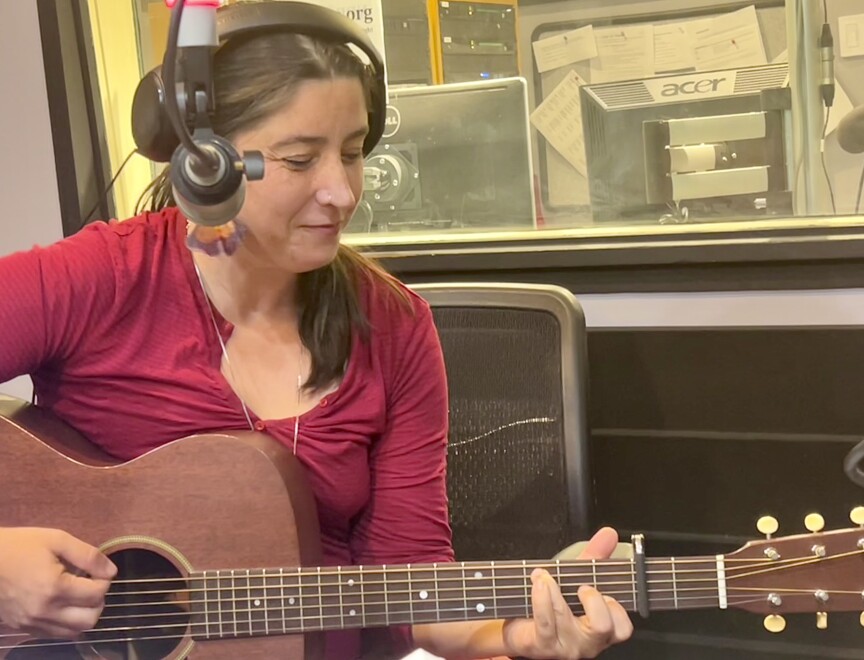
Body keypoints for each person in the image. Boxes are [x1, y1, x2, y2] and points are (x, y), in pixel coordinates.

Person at [0, 5, 632, 659]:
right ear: (203, 162)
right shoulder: (103, 277)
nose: (343, 191)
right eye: (301, 159)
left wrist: (515, 639)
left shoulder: (395, 328)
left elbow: (410, 590)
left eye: (354, 152)